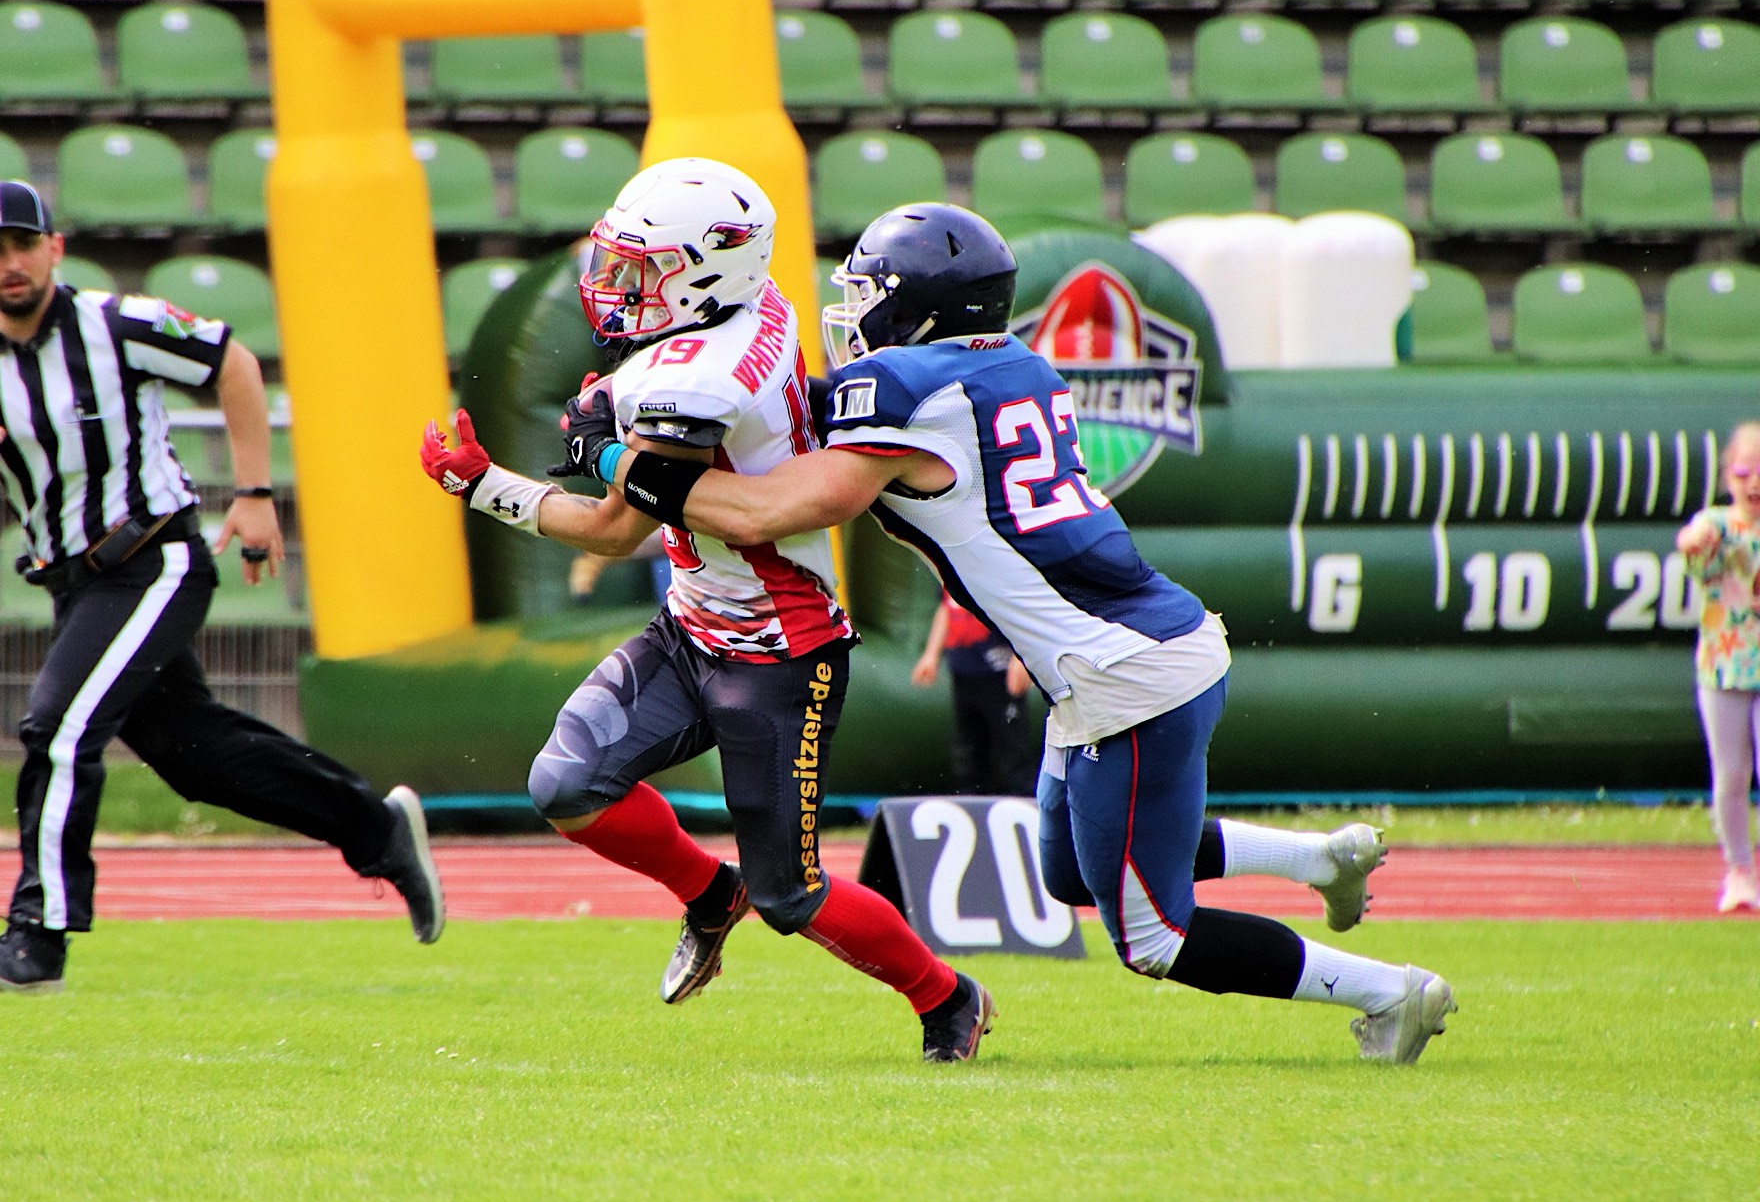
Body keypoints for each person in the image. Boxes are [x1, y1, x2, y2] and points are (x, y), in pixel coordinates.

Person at [570, 203, 1456, 1065]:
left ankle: (1390, 991)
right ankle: (1317, 857)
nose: (857, 313)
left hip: (1126, 676)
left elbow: (778, 504)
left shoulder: (907, 388)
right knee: (1071, 872)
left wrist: (618, 459)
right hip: (1119, 656)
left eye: (873, 293)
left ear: (919, 305)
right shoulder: (1011, 365)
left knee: (1154, 935)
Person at [420, 158, 993, 1063]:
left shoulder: (696, 378)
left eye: (640, 270)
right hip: (694, 626)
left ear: (703, 270)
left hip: (780, 649)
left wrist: (492, 484)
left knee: (792, 896)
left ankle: (947, 995)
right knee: (566, 786)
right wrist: (608, 422)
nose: (614, 288)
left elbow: (614, 530)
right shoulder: (756, 305)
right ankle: (705, 890)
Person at [0, 179, 443, 993]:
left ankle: (36, 937)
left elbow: (234, 361)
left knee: (58, 727)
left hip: (154, 557)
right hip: (73, 583)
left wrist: (254, 495)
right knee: (196, 758)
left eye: (25, 244)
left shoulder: (117, 323)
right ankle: (376, 827)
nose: (12, 263)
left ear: (56, 248)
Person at [1675, 420, 1760, 914]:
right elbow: (1696, 540)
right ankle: (1739, 870)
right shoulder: (1719, 525)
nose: (1753, 483)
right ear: (1729, 474)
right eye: (1744, 470)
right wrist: (1693, 540)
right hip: (1725, 666)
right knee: (1731, 773)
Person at [912, 588, 1036, 796]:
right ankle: (972, 803)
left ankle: (1023, 803)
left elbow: (1023, 612)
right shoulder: (949, 568)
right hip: (964, 672)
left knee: (1012, 747)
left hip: (999, 674)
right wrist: (931, 654)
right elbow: (946, 607)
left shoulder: (997, 569)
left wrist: (1021, 657)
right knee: (968, 747)